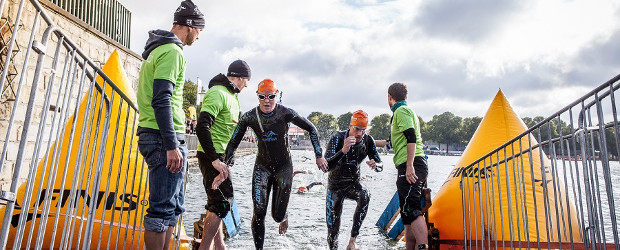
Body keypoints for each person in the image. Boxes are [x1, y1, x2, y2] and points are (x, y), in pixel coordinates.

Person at [221, 78, 328, 249]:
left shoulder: (286, 113)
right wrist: (227, 162)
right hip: (262, 168)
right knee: (259, 213)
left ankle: (284, 215)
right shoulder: (249, 117)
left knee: (277, 215)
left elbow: (312, 129)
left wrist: (318, 155)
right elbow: (233, 142)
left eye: (271, 97)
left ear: (276, 96)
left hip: (283, 168)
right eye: (262, 97)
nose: (267, 101)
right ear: (257, 97)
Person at [135, 1, 204, 249]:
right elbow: (161, 98)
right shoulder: (172, 52)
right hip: (164, 138)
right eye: (200, 31)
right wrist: (172, 145)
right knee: (162, 210)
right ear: (190, 25)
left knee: (173, 206)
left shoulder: (158, 50)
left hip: (160, 135)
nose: (199, 36)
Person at [195, 59, 251, 250]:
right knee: (222, 203)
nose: (247, 85)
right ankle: (206, 248)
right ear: (241, 78)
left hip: (220, 156)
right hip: (212, 155)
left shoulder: (232, 96)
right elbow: (202, 127)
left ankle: (220, 247)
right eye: (246, 81)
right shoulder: (218, 93)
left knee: (217, 203)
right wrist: (215, 160)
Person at [323, 110, 382, 250]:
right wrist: (343, 150)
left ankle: (352, 241)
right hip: (335, 187)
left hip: (353, 185)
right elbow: (326, 167)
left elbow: (380, 164)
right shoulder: (337, 138)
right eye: (356, 129)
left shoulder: (368, 140)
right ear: (350, 126)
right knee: (333, 231)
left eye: (363, 130)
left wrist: (376, 166)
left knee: (365, 194)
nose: (359, 134)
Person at [387, 82, 428, 249]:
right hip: (409, 164)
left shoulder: (401, 111)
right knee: (406, 214)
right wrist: (365, 142)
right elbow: (391, 143)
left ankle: (423, 246)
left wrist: (410, 165)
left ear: (390, 97)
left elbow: (411, 137)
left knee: (412, 208)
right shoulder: (407, 111)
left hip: (411, 164)